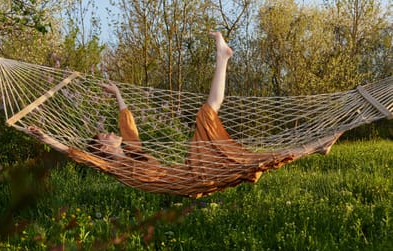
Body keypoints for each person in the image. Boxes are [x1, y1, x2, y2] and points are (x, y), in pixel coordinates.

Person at [29, 32, 339, 198]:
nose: (111, 134)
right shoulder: (117, 169)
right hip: (192, 179)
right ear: (104, 151)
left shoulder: (134, 156)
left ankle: (223, 58)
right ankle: (314, 147)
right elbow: (78, 155)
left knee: (206, 115)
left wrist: (119, 96)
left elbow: (130, 129)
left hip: (190, 170)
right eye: (105, 137)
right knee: (254, 160)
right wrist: (46, 138)